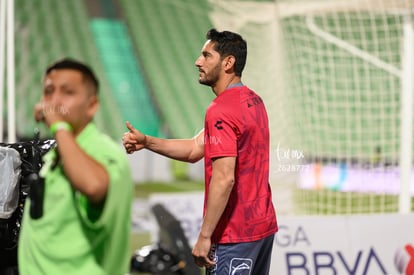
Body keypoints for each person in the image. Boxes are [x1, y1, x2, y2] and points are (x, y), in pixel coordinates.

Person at [123, 28, 278, 274]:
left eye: (207, 55)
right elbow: (196, 148)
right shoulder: (253, 101)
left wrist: (205, 235)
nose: (198, 62)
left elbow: (224, 178)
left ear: (228, 62)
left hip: (234, 235)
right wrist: (147, 141)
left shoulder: (221, 109)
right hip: (262, 229)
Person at [18, 58, 133, 275]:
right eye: (49, 92)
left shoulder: (102, 150)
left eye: (68, 92)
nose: (55, 101)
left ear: (92, 105)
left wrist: (59, 125)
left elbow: (92, 185)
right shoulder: (59, 153)